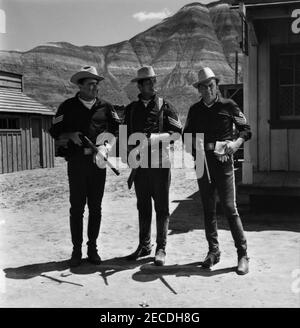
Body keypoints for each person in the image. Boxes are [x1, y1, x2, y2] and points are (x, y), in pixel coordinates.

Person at [49, 66, 120, 267]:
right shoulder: (67, 107)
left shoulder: (106, 107)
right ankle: (76, 250)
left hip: (99, 162)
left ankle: (92, 248)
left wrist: (107, 146)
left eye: (96, 84)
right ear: (80, 85)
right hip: (77, 163)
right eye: (90, 84)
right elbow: (54, 131)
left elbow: (115, 131)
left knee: (96, 208)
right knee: (77, 209)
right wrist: (70, 135)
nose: (94, 87)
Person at [183, 67, 252, 275]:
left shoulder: (229, 105)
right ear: (199, 89)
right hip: (203, 163)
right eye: (203, 87)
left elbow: (246, 129)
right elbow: (186, 136)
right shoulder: (194, 110)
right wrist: (198, 143)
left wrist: (236, 143)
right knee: (208, 209)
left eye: (210, 85)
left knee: (230, 209)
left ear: (216, 85)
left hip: (223, 164)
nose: (207, 90)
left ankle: (242, 254)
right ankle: (213, 251)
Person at [123, 66, 182, 266]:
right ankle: (144, 245)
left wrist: (155, 138)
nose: (151, 84)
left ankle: (161, 248)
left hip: (160, 165)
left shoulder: (166, 107)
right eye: (146, 81)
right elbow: (124, 137)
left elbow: (177, 133)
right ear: (139, 85)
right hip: (139, 166)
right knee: (143, 206)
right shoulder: (130, 110)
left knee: (162, 207)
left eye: (153, 81)